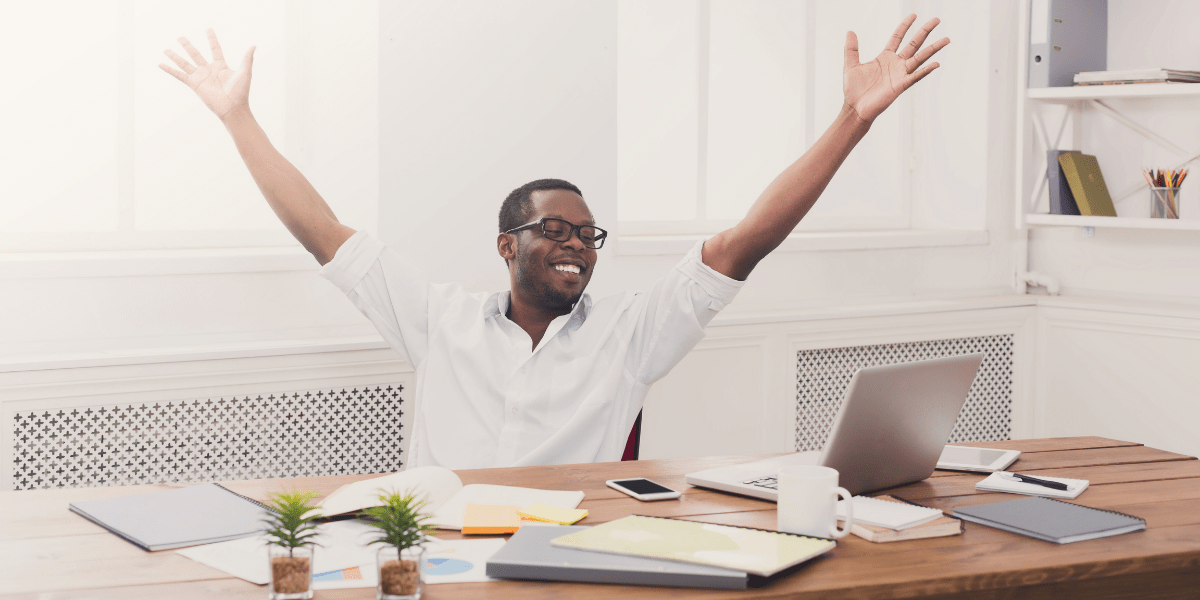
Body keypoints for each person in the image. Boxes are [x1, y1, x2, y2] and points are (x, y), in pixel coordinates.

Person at [161, 16, 948, 469]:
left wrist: (854, 120)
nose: (577, 245)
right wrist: (237, 117)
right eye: (554, 231)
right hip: (440, 555)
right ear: (507, 246)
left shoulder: (630, 334)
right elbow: (323, 232)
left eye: (588, 234)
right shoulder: (438, 321)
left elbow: (743, 243)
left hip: (565, 558)